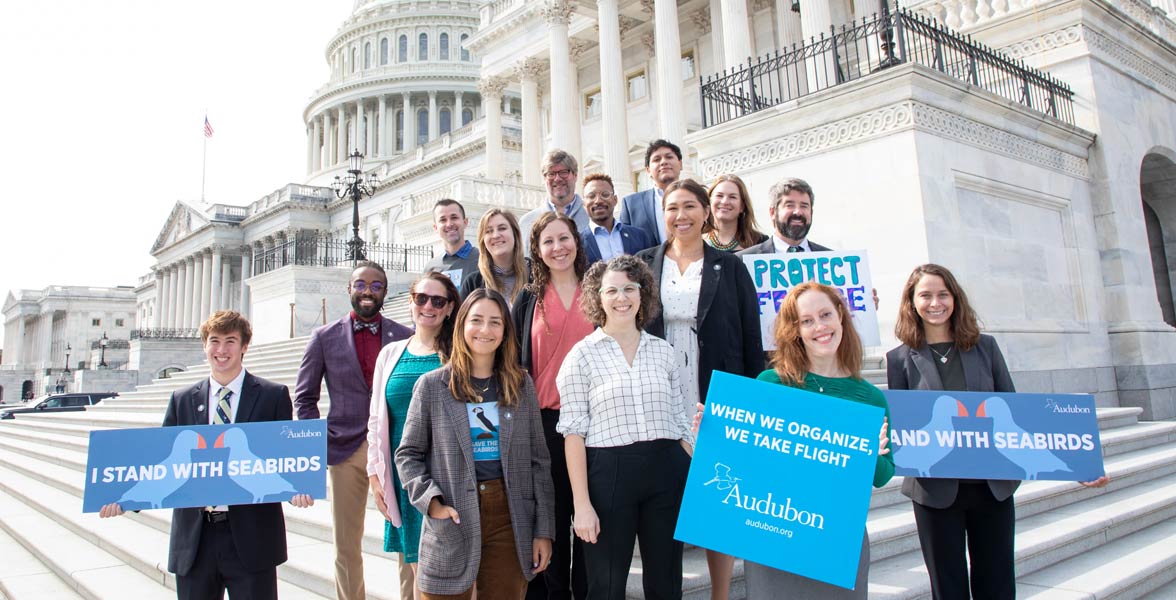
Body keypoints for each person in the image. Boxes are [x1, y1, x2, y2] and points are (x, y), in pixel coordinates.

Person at [886, 264, 1108, 599]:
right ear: (912, 302)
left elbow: (1016, 412)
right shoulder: (899, 359)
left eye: (943, 294)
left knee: (998, 584)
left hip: (992, 488)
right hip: (935, 492)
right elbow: (903, 427)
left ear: (955, 299)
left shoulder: (984, 347)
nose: (935, 303)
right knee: (948, 588)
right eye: (926, 295)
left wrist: (1076, 463)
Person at [99, 310, 314, 600]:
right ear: (204, 345)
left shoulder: (273, 396)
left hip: (252, 539)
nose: (221, 350)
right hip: (195, 541)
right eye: (214, 341)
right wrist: (124, 499)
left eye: (230, 341)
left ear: (244, 347)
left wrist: (296, 490)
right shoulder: (182, 399)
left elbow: (284, 461)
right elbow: (164, 464)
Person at [395, 288, 556, 600]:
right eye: (477, 320)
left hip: (510, 516)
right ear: (461, 325)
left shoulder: (521, 385)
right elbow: (408, 455)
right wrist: (432, 502)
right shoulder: (432, 386)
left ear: (506, 331)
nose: (486, 330)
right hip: (453, 511)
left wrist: (543, 530)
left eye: (495, 322)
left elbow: (539, 461)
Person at [557, 256, 695, 600]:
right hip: (609, 475)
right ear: (597, 297)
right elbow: (573, 433)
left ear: (642, 293)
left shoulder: (663, 352)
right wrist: (582, 504)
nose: (622, 298)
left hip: (667, 472)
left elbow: (680, 422)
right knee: (606, 586)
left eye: (630, 289)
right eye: (612, 290)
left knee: (666, 584)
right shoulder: (581, 356)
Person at [746, 281, 893, 599]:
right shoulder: (772, 383)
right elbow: (748, 460)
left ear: (841, 316)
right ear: (795, 330)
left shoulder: (870, 397)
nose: (819, 327)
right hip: (777, 533)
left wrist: (869, 454)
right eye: (807, 320)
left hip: (838, 537)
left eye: (825, 314)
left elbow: (883, 475)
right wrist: (716, 433)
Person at [294, 261, 414, 600]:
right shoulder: (323, 337)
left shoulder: (405, 337)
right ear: (349, 289)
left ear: (385, 293)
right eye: (360, 284)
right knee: (346, 544)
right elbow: (304, 399)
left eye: (376, 286)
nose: (367, 291)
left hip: (394, 448)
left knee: (408, 540)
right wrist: (312, 449)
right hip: (344, 449)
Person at [512, 211, 594, 600]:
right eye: (548, 241)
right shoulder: (528, 300)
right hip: (546, 426)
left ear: (576, 241)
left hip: (598, 425)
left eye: (564, 238)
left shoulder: (598, 290)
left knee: (594, 522)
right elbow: (512, 364)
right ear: (537, 250)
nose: (558, 247)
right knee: (554, 523)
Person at [367, 272, 460, 600]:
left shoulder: (458, 354)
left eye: (438, 301)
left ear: (449, 308)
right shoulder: (390, 354)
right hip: (404, 480)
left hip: (447, 479)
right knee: (420, 578)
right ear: (410, 303)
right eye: (421, 298)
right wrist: (375, 475)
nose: (429, 306)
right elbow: (377, 419)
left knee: (447, 579)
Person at [636, 178, 764, 411]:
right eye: (672, 208)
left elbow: (751, 335)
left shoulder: (731, 266)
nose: (681, 215)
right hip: (658, 382)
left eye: (689, 206)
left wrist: (751, 396)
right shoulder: (642, 264)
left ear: (706, 212)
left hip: (717, 380)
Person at [519, 150, 592, 253]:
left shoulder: (592, 217)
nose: (557, 179)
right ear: (544, 178)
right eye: (551, 174)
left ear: (575, 175)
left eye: (564, 172)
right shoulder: (527, 222)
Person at [737, 177, 828, 255]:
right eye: (790, 205)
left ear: (811, 212)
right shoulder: (744, 261)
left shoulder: (831, 259)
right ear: (773, 212)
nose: (798, 212)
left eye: (804, 206)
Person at [618, 140, 684, 245]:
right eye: (657, 159)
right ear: (648, 170)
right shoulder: (631, 204)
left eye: (669, 157)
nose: (663, 162)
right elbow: (625, 244)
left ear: (680, 164)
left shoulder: (697, 197)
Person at [580, 173, 654, 264]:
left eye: (605, 194)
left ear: (615, 200)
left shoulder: (640, 236)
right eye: (591, 196)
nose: (598, 200)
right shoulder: (578, 244)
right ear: (583, 204)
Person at [460, 208, 529, 303]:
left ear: (515, 233)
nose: (496, 235)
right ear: (483, 240)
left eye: (502, 228)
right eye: (488, 231)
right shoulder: (472, 283)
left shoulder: (535, 276)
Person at [422, 199, 481, 284]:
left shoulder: (482, 259)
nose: (449, 224)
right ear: (435, 228)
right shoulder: (430, 268)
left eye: (454, 218)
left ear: (465, 222)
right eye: (443, 220)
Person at [705, 174, 767, 252]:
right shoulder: (697, 242)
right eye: (719, 195)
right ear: (709, 201)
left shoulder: (761, 243)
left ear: (742, 206)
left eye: (732, 197)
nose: (724, 202)